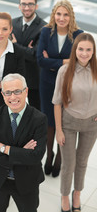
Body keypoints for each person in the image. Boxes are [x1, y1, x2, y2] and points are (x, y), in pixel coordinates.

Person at [0, 73, 47, 212]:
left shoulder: (39, 119)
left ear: (26, 91)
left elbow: (36, 156)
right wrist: (22, 153)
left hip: (27, 182)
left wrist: (5, 148)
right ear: (3, 94)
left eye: (17, 91)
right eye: (8, 92)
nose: (13, 97)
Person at [37, 0, 83, 177]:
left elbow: (79, 62)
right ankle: (49, 155)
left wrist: (52, 62)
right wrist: (65, 61)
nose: (62, 18)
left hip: (68, 85)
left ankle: (59, 159)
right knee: (49, 122)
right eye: (58, 14)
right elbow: (40, 60)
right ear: (53, 15)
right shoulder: (46, 32)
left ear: (71, 16)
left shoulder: (79, 35)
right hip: (47, 84)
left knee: (62, 122)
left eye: (65, 14)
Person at [52, 33, 97, 212]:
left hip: (91, 124)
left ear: (93, 51)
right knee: (68, 164)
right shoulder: (65, 70)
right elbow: (56, 102)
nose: (84, 53)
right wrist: (59, 130)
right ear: (75, 50)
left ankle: (76, 194)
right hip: (68, 123)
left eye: (88, 50)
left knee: (82, 162)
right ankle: (64, 196)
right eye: (81, 49)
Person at [12, 0, 46, 110]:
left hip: (34, 79)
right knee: (15, 110)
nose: (27, 8)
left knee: (36, 111)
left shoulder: (44, 28)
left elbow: (35, 55)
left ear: (36, 6)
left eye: (30, 4)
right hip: (15, 77)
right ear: (19, 6)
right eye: (24, 4)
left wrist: (15, 45)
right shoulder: (12, 23)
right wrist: (27, 49)